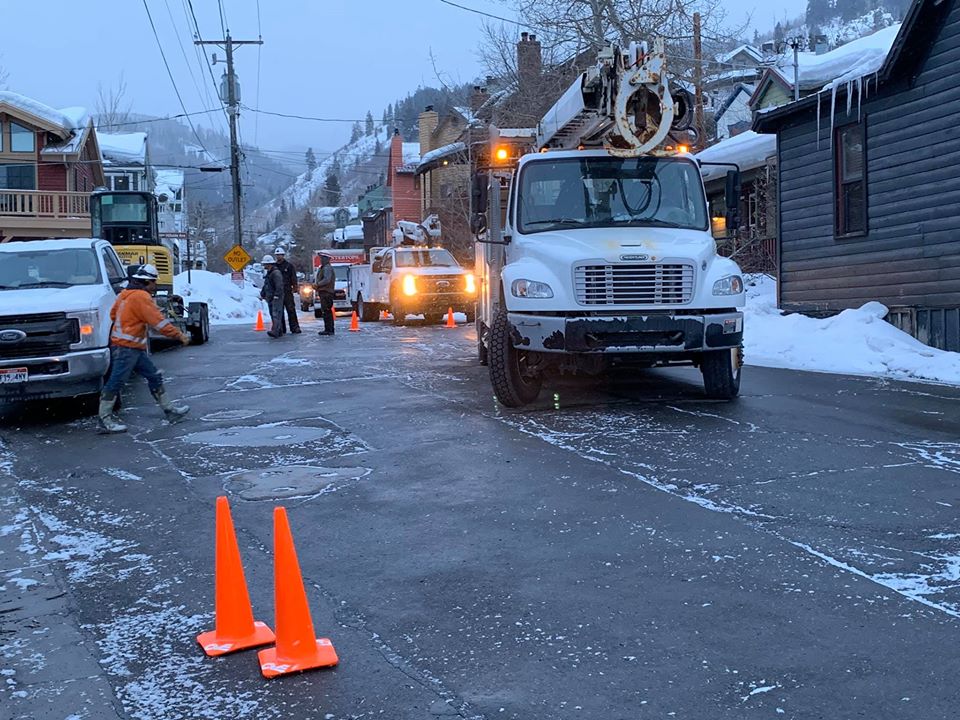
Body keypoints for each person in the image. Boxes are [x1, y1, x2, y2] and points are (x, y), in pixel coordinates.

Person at [97, 263, 190, 434]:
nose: (155, 285)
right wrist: (179, 335)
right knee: (116, 381)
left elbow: (112, 314)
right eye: (154, 282)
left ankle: (169, 411)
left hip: (129, 346)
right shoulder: (141, 297)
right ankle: (104, 419)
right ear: (147, 282)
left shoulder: (124, 294)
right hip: (127, 347)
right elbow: (158, 322)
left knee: (153, 375)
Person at [273, 247, 301, 334]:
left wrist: (295, 287)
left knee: (291, 310)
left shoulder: (289, 266)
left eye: (280, 255)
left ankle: (295, 327)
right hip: (278, 292)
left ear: (283, 255)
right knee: (279, 311)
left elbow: (293, 277)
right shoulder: (274, 267)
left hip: (287, 291)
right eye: (277, 255)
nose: (279, 257)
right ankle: (281, 328)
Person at [260, 254, 285, 338]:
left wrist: (277, 295)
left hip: (276, 297)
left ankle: (275, 331)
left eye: (265, 264)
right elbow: (266, 285)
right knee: (273, 314)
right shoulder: (270, 273)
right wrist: (263, 293)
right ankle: (279, 330)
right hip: (270, 297)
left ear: (269, 264)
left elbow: (279, 285)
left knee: (276, 314)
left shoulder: (276, 273)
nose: (264, 266)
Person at [314, 252, 336, 336]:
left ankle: (329, 330)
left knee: (326, 311)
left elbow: (327, 280)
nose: (321, 260)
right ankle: (328, 329)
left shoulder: (327, 268)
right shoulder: (323, 268)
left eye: (322, 258)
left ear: (327, 259)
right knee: (326, 311)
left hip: (326, 292)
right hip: (324, 292)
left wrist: (317, 284)